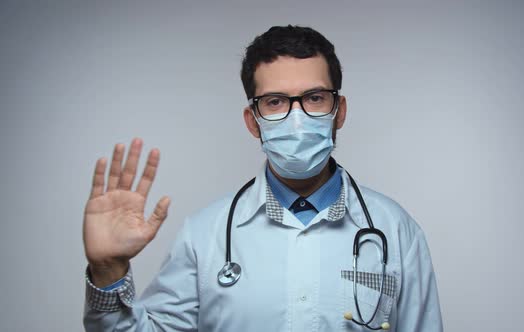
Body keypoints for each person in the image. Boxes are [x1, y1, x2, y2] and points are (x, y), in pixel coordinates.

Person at [83, 25, 443, 331]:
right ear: (252, 120)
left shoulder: (396, 230)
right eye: (274, 102)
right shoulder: (204, 235)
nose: (297, 117)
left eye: (315, 97)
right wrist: (108, 272)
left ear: (339, 110)